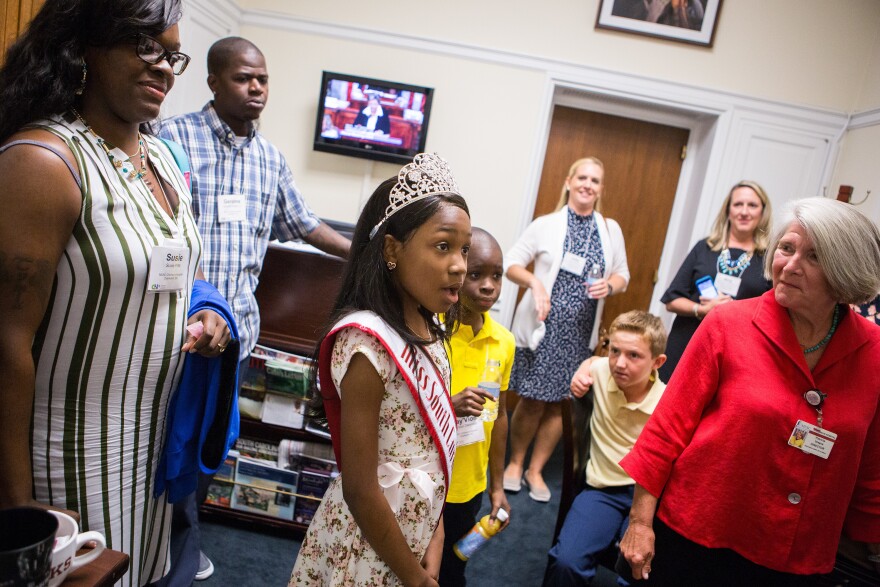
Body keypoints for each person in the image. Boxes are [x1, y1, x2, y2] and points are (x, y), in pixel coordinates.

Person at [0, 2, 234, 586]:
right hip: (69, 463)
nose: (164, 68)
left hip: (152, 458)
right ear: (84, 46)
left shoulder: (161, 158)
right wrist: (19, 510)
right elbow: (5, 345)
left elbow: (163, 276)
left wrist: (206, 315)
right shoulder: (44, 162)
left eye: (172, 54)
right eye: (144, 46)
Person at [159, 36, 351, 582]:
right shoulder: (173, 140)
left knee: (209, 449)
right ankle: (172, 550)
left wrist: (362, 251)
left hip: (238, 336)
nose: (257, 88)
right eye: (244, 78)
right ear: (214, 82)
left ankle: (180, 542)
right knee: (166, 444)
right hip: (182, 332)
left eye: (263, 78)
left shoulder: (270, 159)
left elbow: (306, 224)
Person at [619, 198, 880, 586]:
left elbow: (871, 462)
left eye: (814, 257)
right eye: (786, 248)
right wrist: (640, 522)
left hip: (798, 555)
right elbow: (666, 430)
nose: (789, 265)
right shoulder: (728, 325)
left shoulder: (873, 351)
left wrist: (871, 544)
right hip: (700, 538)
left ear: (845, 272)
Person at [289, 153, 470, 586]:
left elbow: (432, 446)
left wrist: (436, 531)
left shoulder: (430, 328)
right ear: (392, 249)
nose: (461, 264)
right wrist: (414, 577)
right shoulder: (367, 343)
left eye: (464, 249)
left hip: (418, 528)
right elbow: (360, 488)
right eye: (443, 246)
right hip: (366, 544)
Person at [503, 157, 630, 503]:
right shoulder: (547, 224)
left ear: (601, 189)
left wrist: (611, 286)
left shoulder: (610, 229)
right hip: (545, 328)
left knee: (562, 402)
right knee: (531, 399)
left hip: (579, 334)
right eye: (583, 177)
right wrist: (535, 285)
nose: (588, 184)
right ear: (569, 181)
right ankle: (515, 463)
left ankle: (535, 469)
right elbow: (511, 263)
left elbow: (623, 274)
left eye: (596, 180)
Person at [545, 311, 667, 586]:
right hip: (602, 490)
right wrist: (582, 369)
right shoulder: (602, 371)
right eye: (614, 351)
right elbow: (594, 361)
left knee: (638, 571)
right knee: (566, 563)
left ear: (657, 362)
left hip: (649, 499)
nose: (619, 363)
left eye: (634, 355)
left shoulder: (667, 402)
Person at [440, 227, 514, 586]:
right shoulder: (432, 330)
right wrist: (448, 404)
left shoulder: (505, 342)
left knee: (453, 567)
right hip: (426, 479)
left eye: (497, 276)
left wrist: (496, 487)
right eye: (477, 274)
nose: (489, 285)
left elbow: (498, 417)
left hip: (468, 485)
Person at [659, 180, 772, 382]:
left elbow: (771, 314)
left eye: (752, 205)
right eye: (738, 204)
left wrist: (734, 313)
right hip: (686, 343)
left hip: (734, 353)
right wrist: (700, 310)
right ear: (728, 210)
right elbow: (671, 299)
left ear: (763, 212)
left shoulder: (769, 259)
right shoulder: (705, 248)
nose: (744, 211)